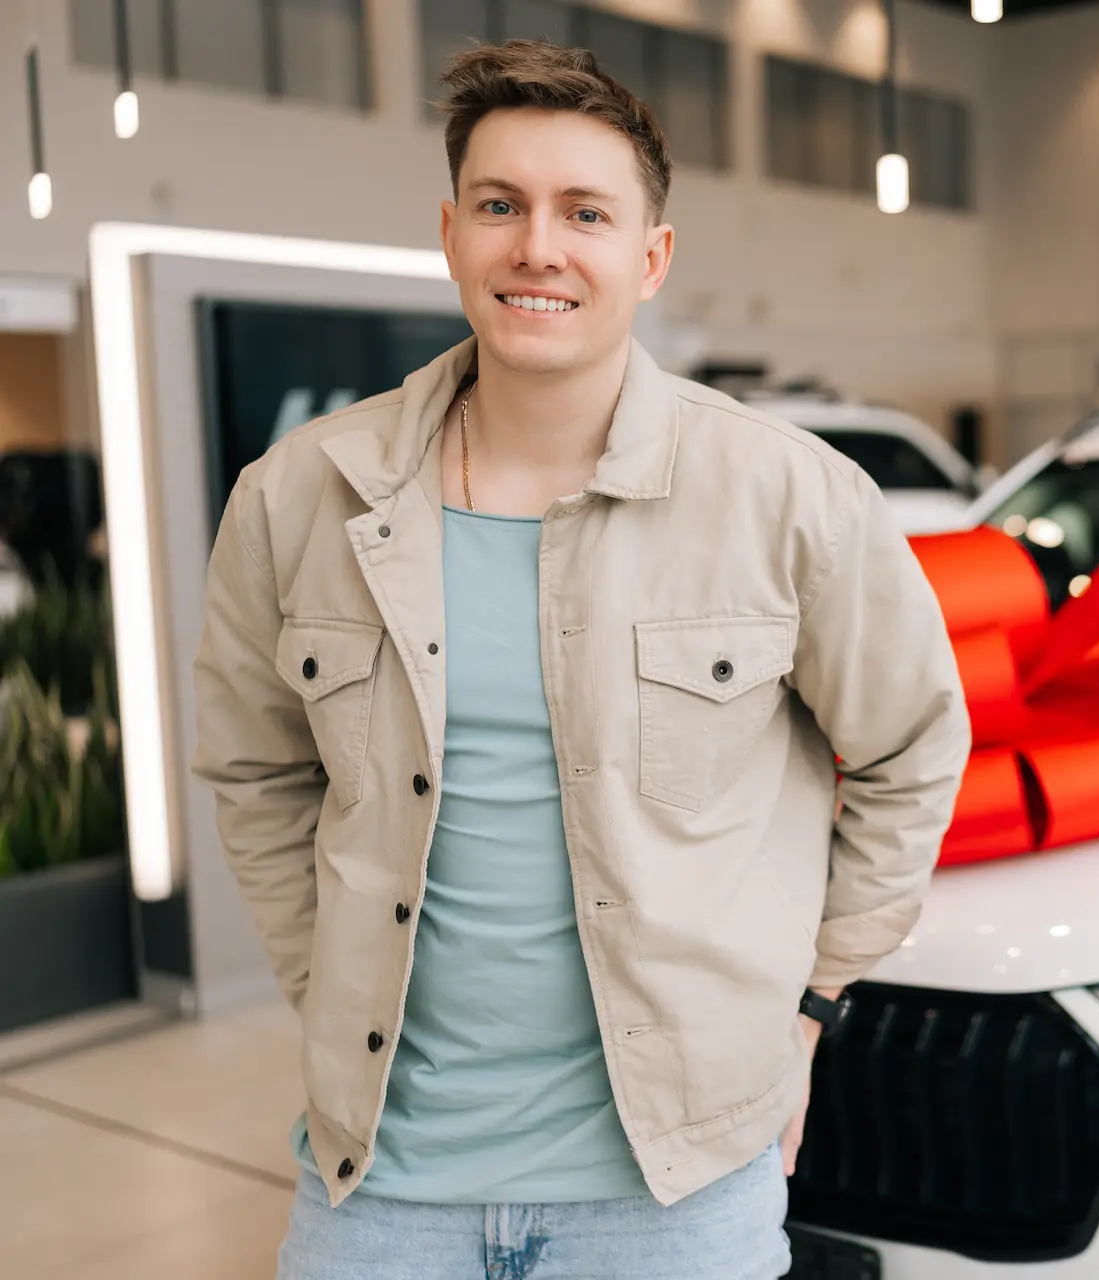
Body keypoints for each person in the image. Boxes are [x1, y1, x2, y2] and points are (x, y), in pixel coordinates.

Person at [192, 39, 969, 1279]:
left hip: (672, 1194)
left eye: (585, 213)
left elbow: (913, 748)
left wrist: (811, 1007)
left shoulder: (791, 499)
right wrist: (326, 975)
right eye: (501, 205)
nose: (536, 247)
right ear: (451, 234)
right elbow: (253, 770)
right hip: (381, 1185)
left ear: (649, 257)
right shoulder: (297, 500)